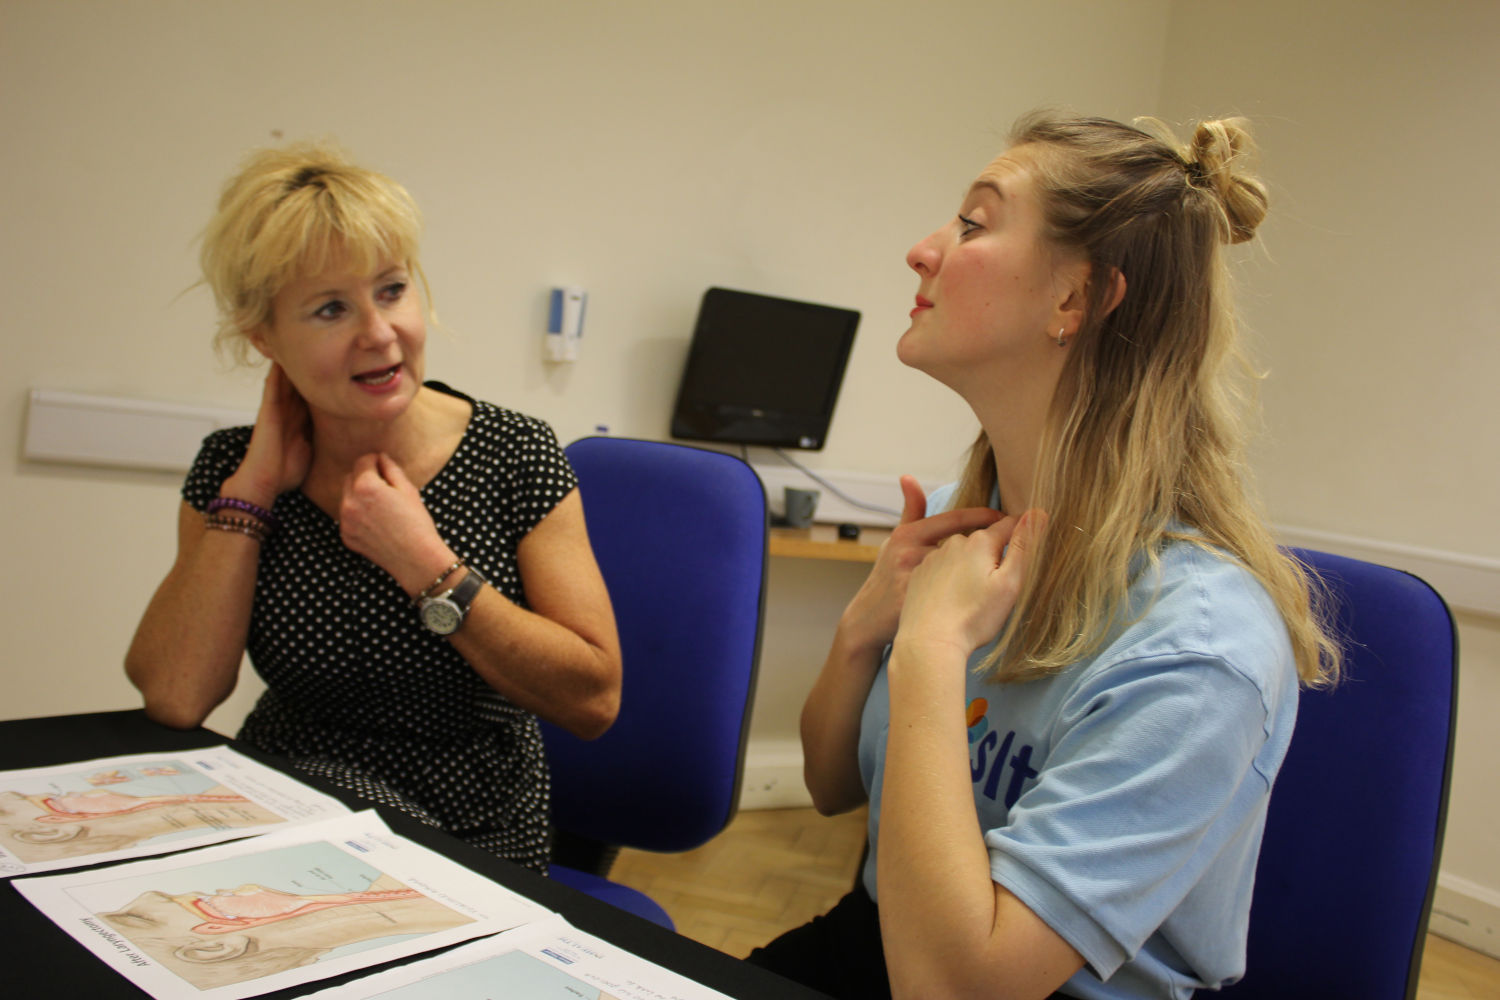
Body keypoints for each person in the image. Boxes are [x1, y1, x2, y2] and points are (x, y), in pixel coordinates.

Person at [749, 112, 1340, 1000]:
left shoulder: (1200, 649)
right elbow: (834, 787)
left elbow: (955, 989)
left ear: (1078, 300)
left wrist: (930, 651)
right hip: (876, 945)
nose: (921, 250)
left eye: (974, 224)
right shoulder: (958, 531)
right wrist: (863, 634)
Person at [125, 144, 622, 874]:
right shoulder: (234, 470)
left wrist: (426, 566)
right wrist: (254, 491)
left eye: (391, 290)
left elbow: (594, 697)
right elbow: (174, 696)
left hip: (466, 827)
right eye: (331, 308)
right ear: (263, 336)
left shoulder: (514, 452)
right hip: (284, 803)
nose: (379, 334)